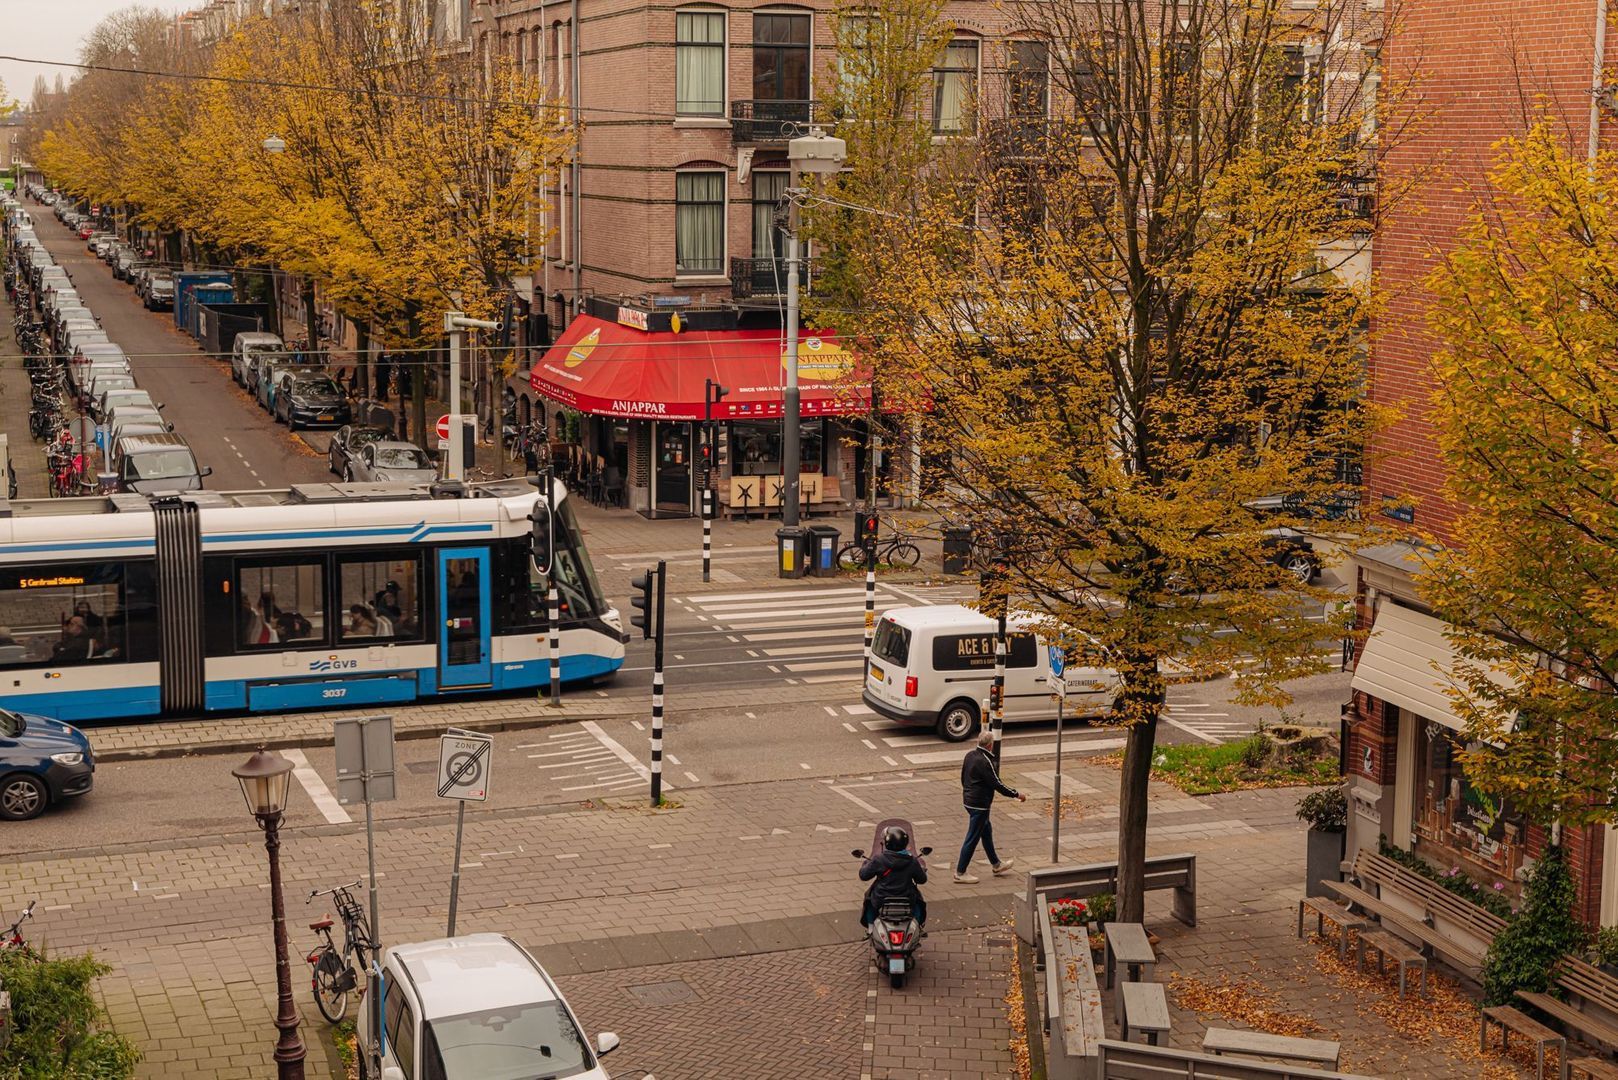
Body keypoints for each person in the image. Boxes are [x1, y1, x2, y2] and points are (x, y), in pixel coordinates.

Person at [954, 728, 1025, 884]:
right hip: (979, 805)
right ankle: (960, 872)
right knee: (972, 838)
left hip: (968, 800)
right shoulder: (985, 761)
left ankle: (996, 864)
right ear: (990, 745)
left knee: (986, 831)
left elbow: (963, 776)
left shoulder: (970, 755)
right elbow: (997, 784)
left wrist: (967, 792)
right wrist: (1016, 794)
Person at [859, 825, 928, 928]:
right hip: (907, 898)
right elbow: (922, 880)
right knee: (919, 903)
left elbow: (864, 876)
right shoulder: (912, 861)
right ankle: (918, 926)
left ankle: (870, 928)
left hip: (881, 899)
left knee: (869, 902)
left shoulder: (878, 859)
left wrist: (865, 864)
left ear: (887, 843)